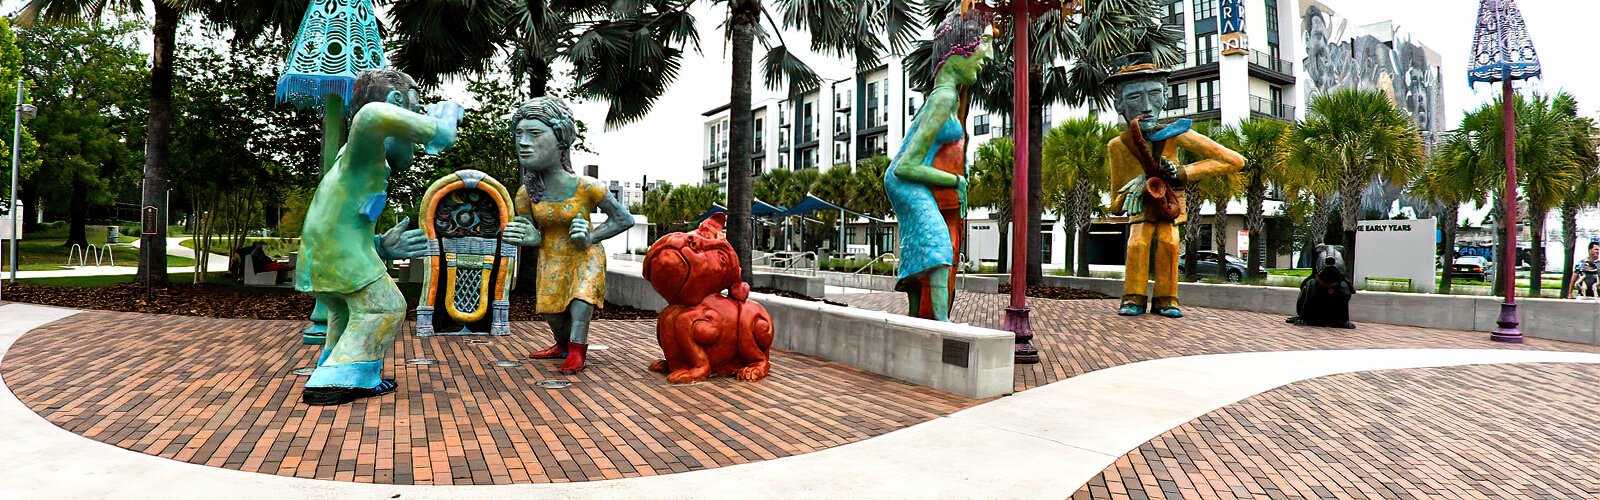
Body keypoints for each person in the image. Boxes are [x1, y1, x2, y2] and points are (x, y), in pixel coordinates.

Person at [295, 68, 463, 405]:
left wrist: (381, 247)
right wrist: (440, 127)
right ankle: (333, 381)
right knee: (385, 307)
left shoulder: (362, 162)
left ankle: (345, 370)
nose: (413, 124)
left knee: (347, 313)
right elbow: (373, 115)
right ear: (396, 103)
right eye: (413, 111)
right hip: (338, 258)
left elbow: (343, 219)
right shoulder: (365, 137)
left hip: (328, 259)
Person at [503, 97, 636, 374]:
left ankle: (577, 350)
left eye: (534, 133)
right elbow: (531, 232)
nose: (523, 142)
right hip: (551, 256)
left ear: (561, 139)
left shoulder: (587, 187)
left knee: (580, 302)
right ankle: (562, 344)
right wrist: (529, 238)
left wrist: (591, 236)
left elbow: (624, 219)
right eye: (519, 134)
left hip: (584, 255)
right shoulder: (527, 194)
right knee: (552, 311)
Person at [1106, 52, 1245, 318]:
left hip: (1169, 208)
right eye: (1135, 97)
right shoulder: (1119, 146)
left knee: (1170, 244)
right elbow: (1115, 206)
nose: (1147, 105)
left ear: (1166, 96)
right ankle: (1133, 297)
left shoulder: (1177, 133)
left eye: (1155, 94)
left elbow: (1234, 160)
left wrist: (1182, 172)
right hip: (1142, 212)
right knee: (1137, 244)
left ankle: (1167, 299)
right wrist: (1133, 189)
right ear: (1118, 104)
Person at [883, 9, 992, 322]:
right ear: (958, 54)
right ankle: (942, 326)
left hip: (905, 183)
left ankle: (919, 319)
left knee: (925, 255)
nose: (982, 61)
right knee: (939, 252)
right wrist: (954, 182)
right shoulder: (943, 98)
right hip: (906, 182)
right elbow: (906, 165)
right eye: (978, 52)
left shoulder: (942, 96)